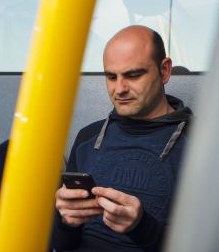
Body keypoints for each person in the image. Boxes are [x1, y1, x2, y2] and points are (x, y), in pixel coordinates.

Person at [51, 25, 193, 252]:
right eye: (111, 76)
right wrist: (66, 222)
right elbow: (60, 245)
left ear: (164, 70)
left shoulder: (202, 150)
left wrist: (142, 227)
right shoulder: (88, 137)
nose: (119, 89)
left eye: (133, 75)